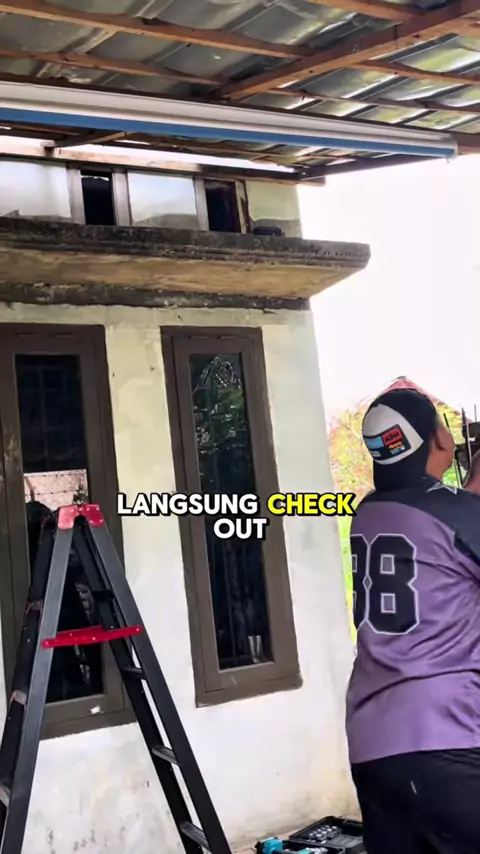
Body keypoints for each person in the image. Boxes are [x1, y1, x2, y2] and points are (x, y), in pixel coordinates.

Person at [346, 387, 480, 854]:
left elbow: (443, 532)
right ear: (438, 438)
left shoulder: (368, 512)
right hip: (445, 737)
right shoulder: (459, 513)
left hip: (372, 746)